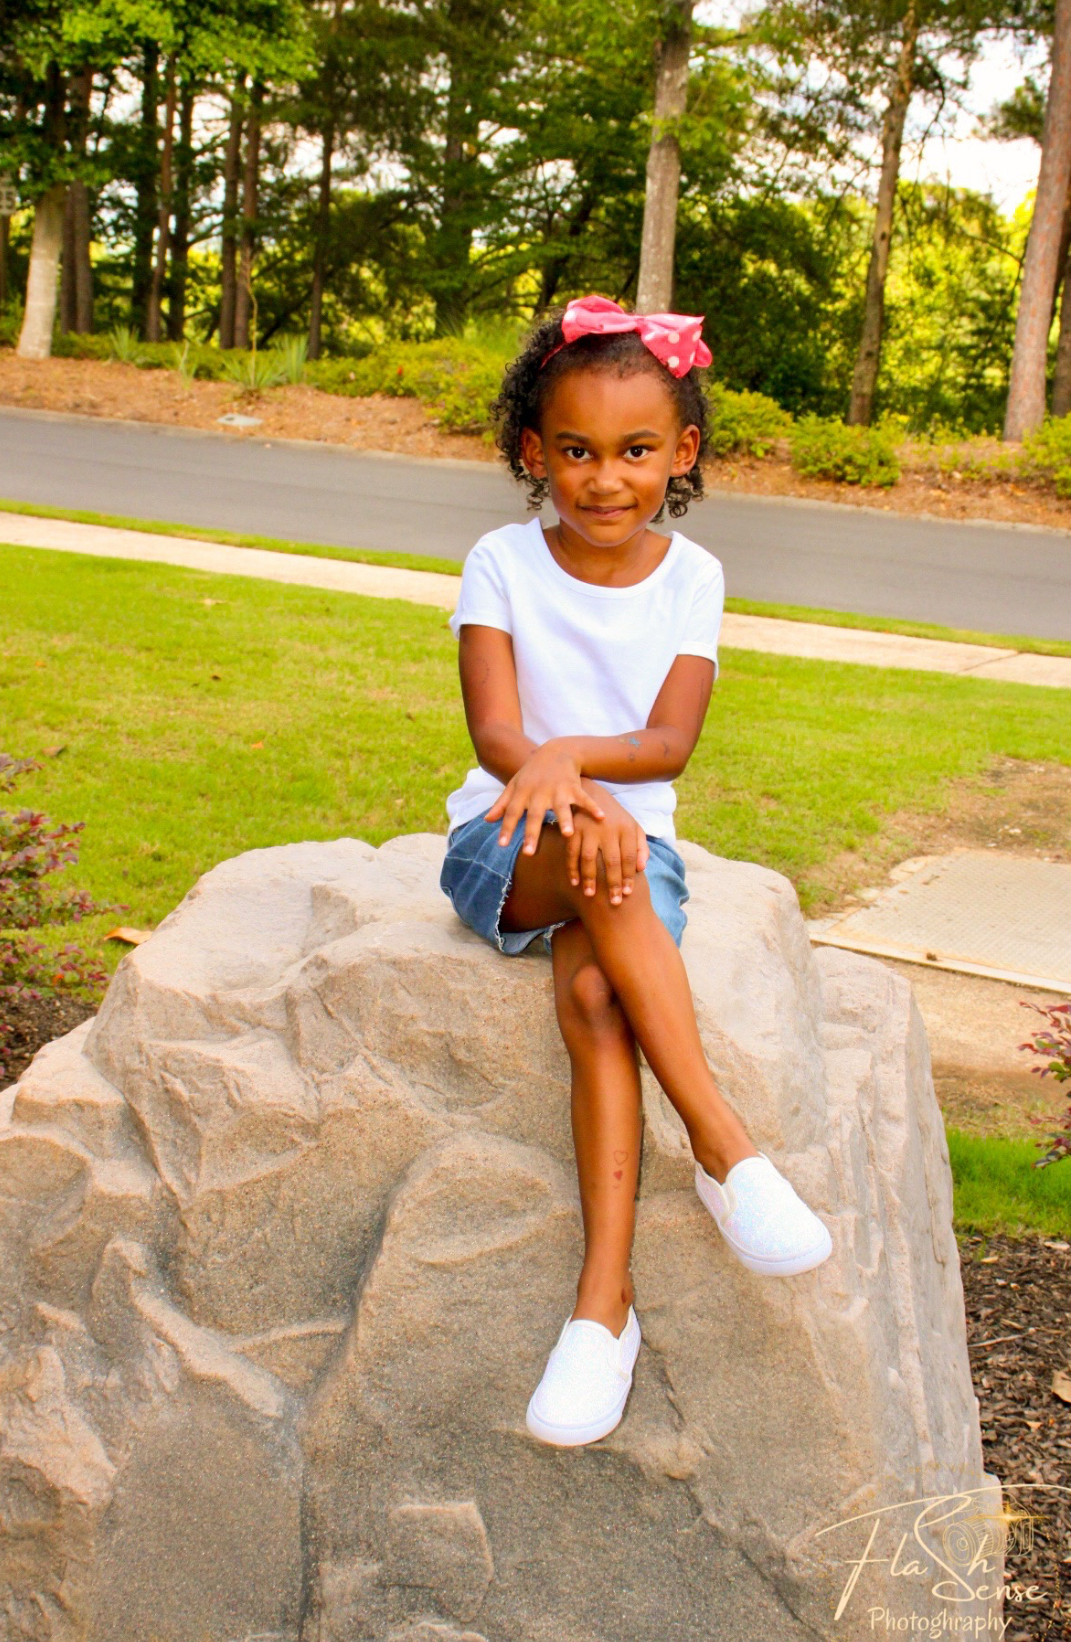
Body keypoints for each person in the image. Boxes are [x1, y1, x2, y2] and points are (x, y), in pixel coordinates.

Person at [439, 295, 832, 1450]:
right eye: (576, 451)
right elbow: (498, 740)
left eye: (635, 451)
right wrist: (569, 784)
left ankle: (601, 1312)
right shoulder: (501, 561)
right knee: (592, 846)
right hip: (507, 843)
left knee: (600, 992)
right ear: (533, 452)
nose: (605, 479)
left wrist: (578, 769)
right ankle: (723, 1144)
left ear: (682, 453)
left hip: (627, 851)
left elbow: (668, 746)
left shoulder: (692, 576)